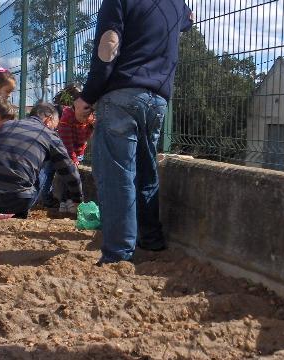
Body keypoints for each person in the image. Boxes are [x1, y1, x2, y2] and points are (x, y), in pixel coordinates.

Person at [74, 0, 193, 264]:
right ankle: (150, 238)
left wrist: (88, 95)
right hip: (158, 99)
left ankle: (118, 253)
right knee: (146, 167)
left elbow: (108, 47)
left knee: (117, 175)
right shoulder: (176, 4)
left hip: (122, 93)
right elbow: (189, 19)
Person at [0, 102, 83, 220]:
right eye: (54, 126)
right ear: (49, 119)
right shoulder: (49, 135)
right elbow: (69, 170)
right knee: (48, 163)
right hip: (18, 200)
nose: (54, 130)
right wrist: (78, 200)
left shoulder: (6, 125)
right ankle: (18, 214)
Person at [40, 84, 95, 213]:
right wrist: (72, 158)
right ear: (75, 107)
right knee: (54, 173)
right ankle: (52, 199)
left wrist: (92, 125)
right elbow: (66, 142)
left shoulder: (89, 118)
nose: (84, 120)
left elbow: (84, 140)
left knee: (70, 175)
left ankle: (67, 201)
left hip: (77, 151)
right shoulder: (66, 118)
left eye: (88, 116)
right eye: (82, 116)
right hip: (60, 150)